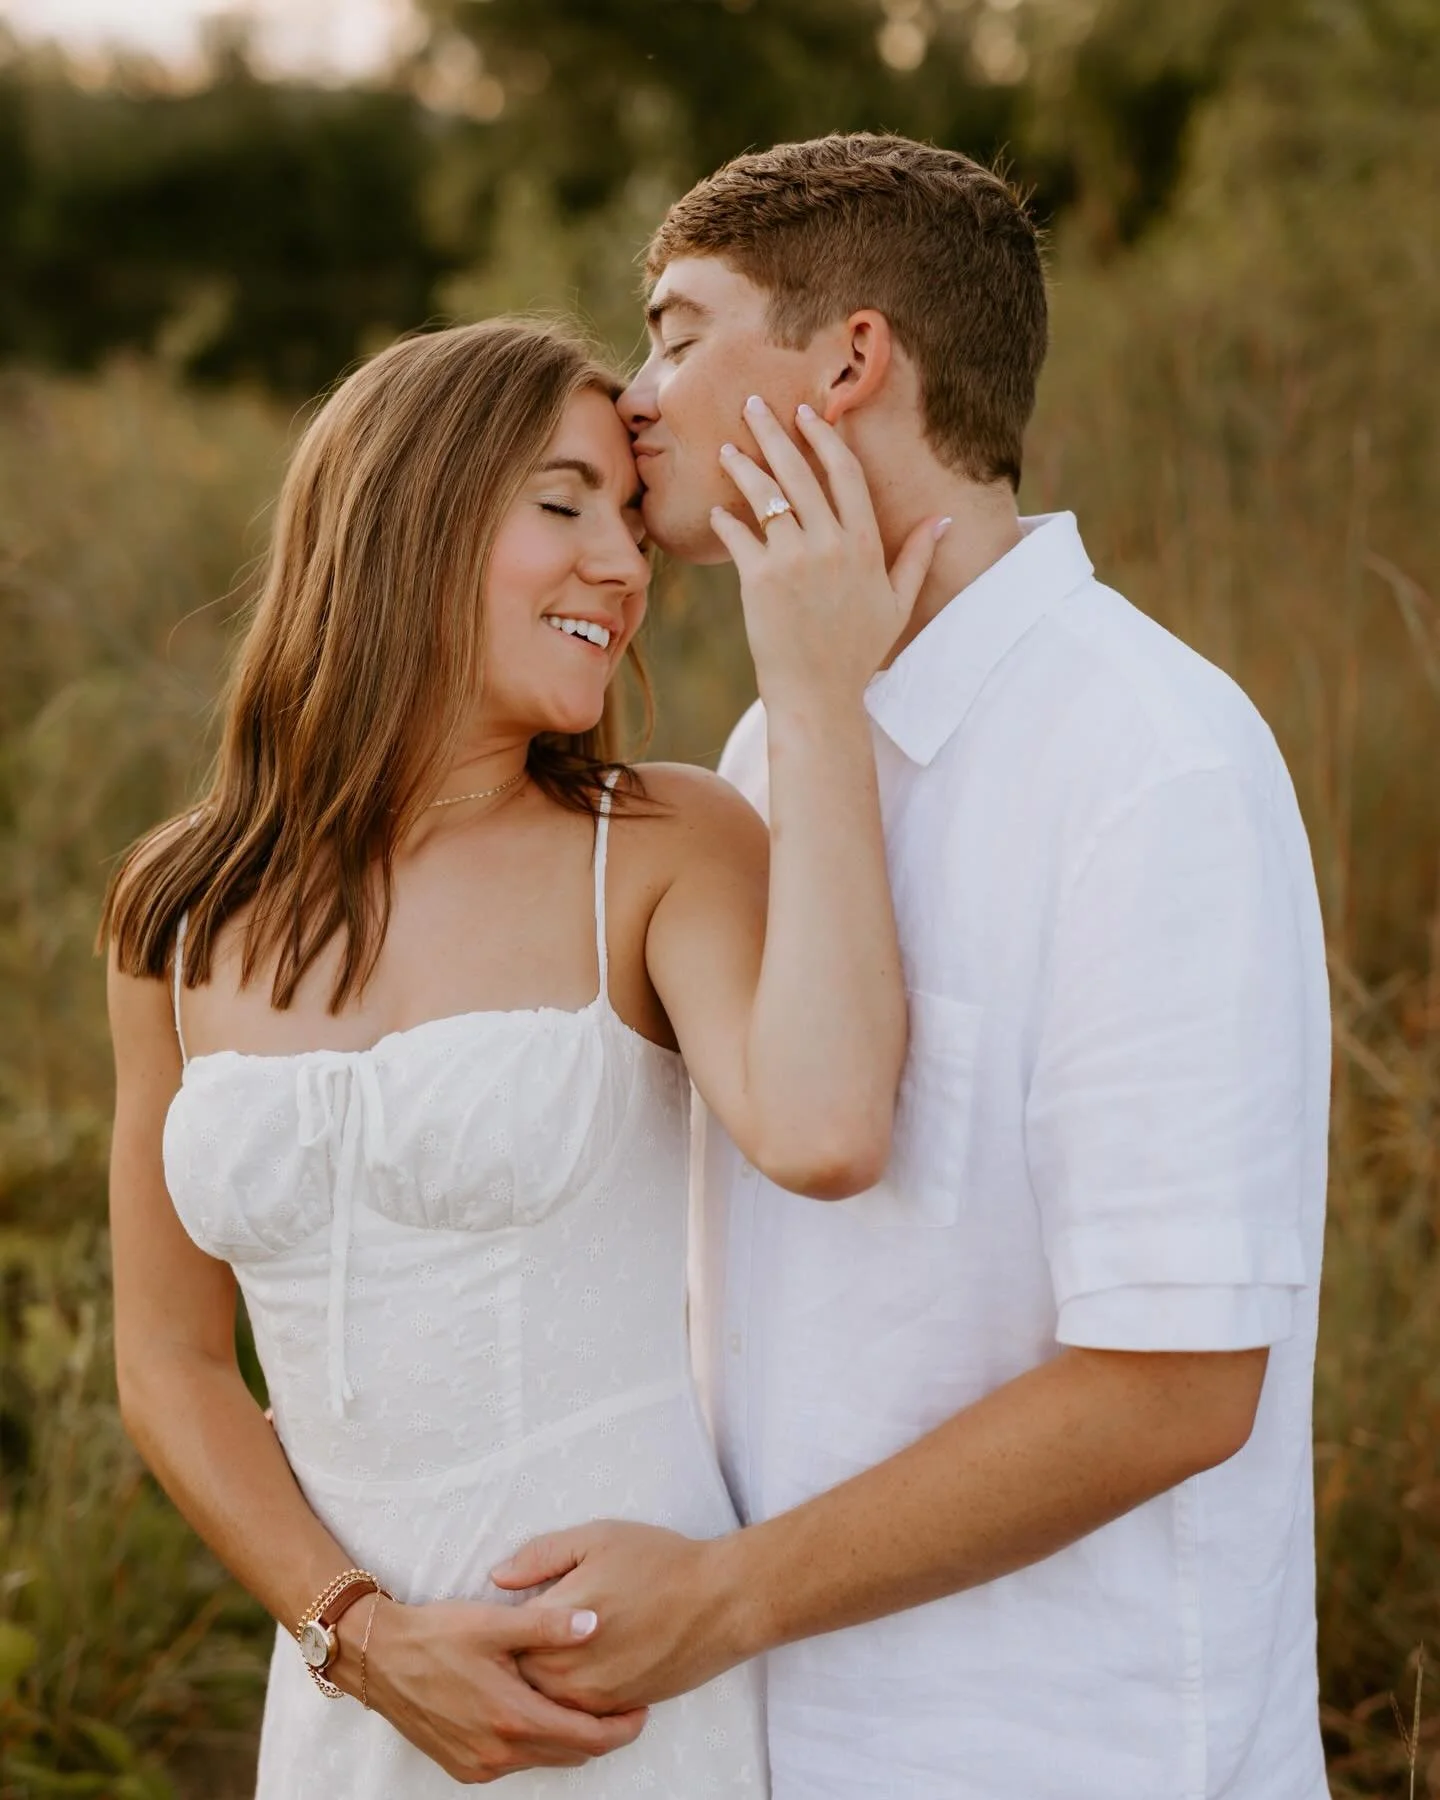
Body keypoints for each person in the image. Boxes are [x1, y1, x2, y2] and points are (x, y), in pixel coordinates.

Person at [493, 134, 1333, 1800]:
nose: (634, 394)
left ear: (853, 357)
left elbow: (1174, 1392)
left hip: (1065, 1746)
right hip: (778, 1738)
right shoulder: (770, 736)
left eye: (678, 329)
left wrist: (725, 1600)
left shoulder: (1149, 757)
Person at [102, 317, 949, 1793]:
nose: (623, 569)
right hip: (352, 1709)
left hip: (615, 1686)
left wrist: (816, 693)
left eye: (628, 520)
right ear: (402, 521)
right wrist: (353, 1633)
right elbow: (171, 1361)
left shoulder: (660, 844)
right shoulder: (182, 907)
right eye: (563, 506)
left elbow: (823, 1131)